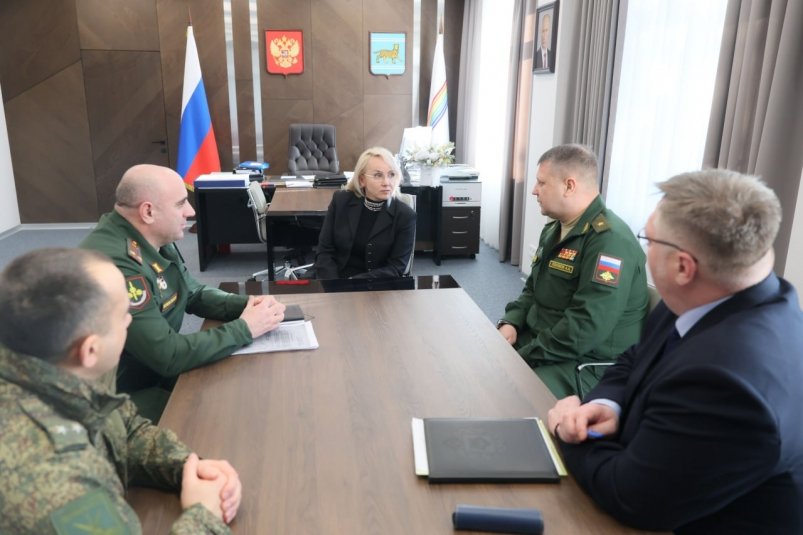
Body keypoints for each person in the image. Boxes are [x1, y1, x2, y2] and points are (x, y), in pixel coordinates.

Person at [548, 170, 803, 534]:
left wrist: (567, 428)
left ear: (683, 266)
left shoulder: (729, 384)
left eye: (649, 240)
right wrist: (607, 403)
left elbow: (630, 496)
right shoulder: (718, 292)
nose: (645, 248)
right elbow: (636, 357)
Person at [0, 248, 242, 534]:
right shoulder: (52, 481)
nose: (130, 320)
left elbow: (122, 427)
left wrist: (187, 465)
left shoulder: (59, 366)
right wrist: (204, 516)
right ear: (91, 349)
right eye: (123, 314)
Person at [80, 164, 285, 421]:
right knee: (214, 416)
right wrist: (245, 328)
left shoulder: (148, 236)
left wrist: (248, 306)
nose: (191, 211)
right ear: (148, 212)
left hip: (148, 370)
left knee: (239, 385)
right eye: (180, 204)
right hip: (114, 397)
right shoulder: (117, 264)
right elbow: (168, 355)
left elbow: (191, 292)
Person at [497, 144, 648, 398]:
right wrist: (511, 321)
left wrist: (525, 355)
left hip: (587, 363)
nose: (534, 190)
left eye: (541, 183)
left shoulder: (610, 241)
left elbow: (585, 327)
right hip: (547, 343)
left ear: (569, 186)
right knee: (482, 362)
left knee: (511, 394)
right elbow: (532, 289)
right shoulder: (554, 229)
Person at [313, 146, 416, 279]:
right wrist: (333, 284)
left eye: (391, 174)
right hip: (335, 278)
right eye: (378, 175)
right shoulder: (341, 201)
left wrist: (353, 284)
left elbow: (396, 267)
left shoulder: (405, 215)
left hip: (377, 283)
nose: (387, 182)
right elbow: (325, 250)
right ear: (362, 180)